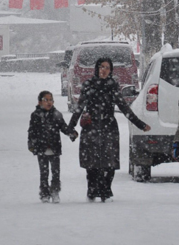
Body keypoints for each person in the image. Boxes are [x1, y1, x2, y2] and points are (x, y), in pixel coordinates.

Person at [66, 58, 150, 202]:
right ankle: (92, 190)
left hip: (108, 126)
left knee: (109, 162)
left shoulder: (112, 86)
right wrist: (70, 127)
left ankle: (106, 190)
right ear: (96, 68)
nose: (104, 70)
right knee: (91, 162)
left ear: (111, 70)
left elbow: (123, 107)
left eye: (107, 67)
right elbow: (79, 107)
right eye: (101, 67)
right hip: (91, 126)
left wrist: (140, 124)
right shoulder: (88, 85)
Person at [28, 91, 78, 203]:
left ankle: (55, 191)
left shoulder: (57, 115)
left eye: (51, 100)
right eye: (46, 100)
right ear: (40, 102)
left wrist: (71, 133)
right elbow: (32, 131)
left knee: (56, 172)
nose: (49, 102)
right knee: (43, 173)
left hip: (54, 148)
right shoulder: (35, 115)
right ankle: (44, 193)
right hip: (41, 148)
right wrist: (31, 144)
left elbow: (64, 127)